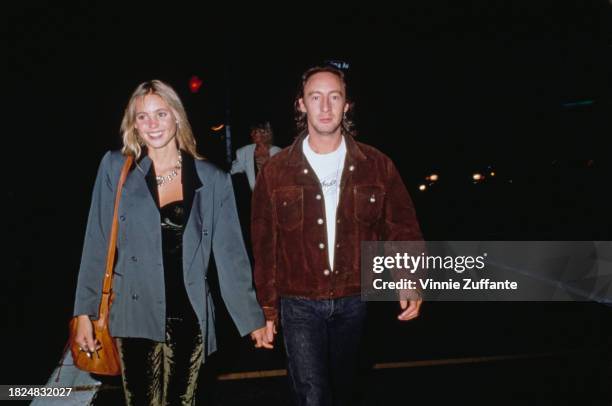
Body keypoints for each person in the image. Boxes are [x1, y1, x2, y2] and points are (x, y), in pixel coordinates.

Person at [72, 80, 271, 405]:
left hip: (189, 314)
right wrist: (85, 311)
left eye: (161, 114)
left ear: (176, 117)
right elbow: (96, 241)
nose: (152, 124)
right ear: (132, 124)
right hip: (134, 311)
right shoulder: (116, 168)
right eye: (143, 117)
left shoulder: (212, 179)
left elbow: (231, 255)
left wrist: (252, 320)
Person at [251, 65, 424, 406]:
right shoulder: (275, 171)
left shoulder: (376, 164)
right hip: (298, 301)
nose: (326, 107)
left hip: (354, 299)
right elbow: (264, 243)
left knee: (345, 393)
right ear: (301, 105)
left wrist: (409, 277)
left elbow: (401, 226)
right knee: (313, 396)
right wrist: (267, 310)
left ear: (347, 105)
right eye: (316, 97)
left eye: (334, 97)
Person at [231, 121, 281, 191]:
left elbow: (283, 179)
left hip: (276, 197)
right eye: (251, 131)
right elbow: (232, 175)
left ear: (266, 132)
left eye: (255, 131)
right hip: (255, 198)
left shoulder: (279, 152)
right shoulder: (244, 152)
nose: (251, 134)